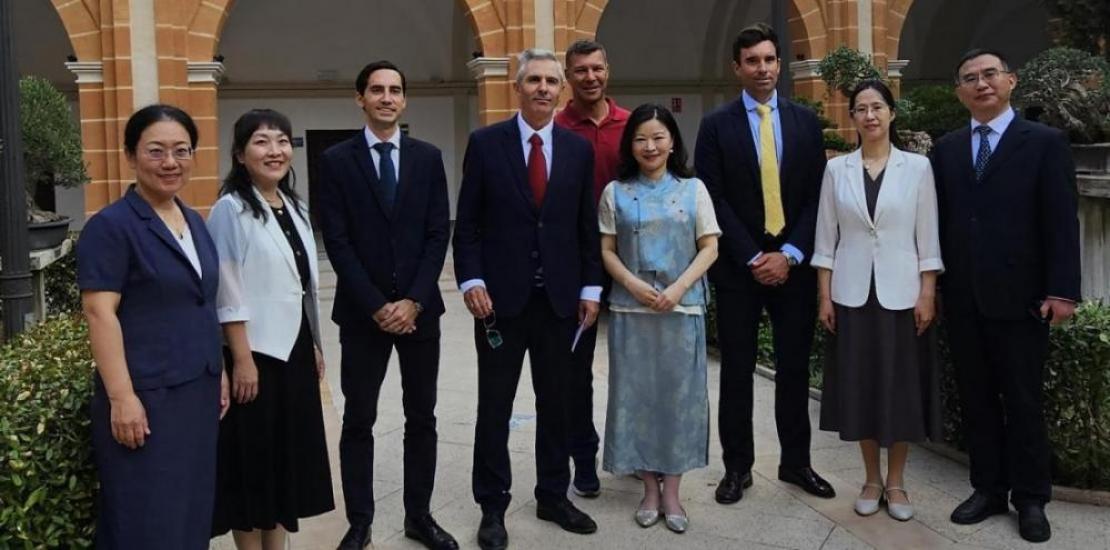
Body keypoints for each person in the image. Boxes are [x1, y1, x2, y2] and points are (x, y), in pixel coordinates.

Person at [453, 48, 603, 550]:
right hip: (500, 302)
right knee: (494, 406)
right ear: (517, 87)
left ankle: (552, 494)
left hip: (561, 303)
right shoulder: (486, 143)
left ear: (562, 90)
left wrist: (590, 288)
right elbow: (467, 224)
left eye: (551, 81)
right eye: (533, 79)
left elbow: (586, 226)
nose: (543, 87)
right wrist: (471, 281)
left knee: (557, 403)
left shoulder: (577, 150)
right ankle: (492, 505)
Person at [931, 48, 1080, 543]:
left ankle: (1031, 498)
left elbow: (1061, 222)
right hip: (964, 298)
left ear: (1011, 81)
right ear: (960, 92)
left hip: (1022, 299)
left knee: (1023, 401)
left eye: (990, 75)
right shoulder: (948, 149)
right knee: (976, 400)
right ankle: (988, 489)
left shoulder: (1044, 143)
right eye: (969, 78)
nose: (981, 84)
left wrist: (1062, 291)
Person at [317, 60, 457, 550]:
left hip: (421, 314)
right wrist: (378, 305)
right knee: (359, 420)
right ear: (360, 98)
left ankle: (419, 516)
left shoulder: (427, 157)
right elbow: (336, 239)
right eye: (376, 90)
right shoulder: (336, 161)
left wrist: (415, 300)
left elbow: (439, 232)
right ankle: (360, 522)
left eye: (395, 89)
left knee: (423, 417)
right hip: (362, 316)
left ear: (404, 99)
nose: (386, 97)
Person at [77, 104, 228, 548]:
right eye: (156, 151)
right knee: (146, 517)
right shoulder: (112, 227)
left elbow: (201, 303)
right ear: (130, 155)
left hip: (196, 394)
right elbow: (99, 313)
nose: (170, 162)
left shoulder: (194, 221)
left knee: (190, 509)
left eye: (182, 151)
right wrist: (122, 398)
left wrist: (215, 368)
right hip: (148, 398)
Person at [694, 23, 833, 503]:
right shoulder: (715, 126)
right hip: (738, 270)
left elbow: (819, 195)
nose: (763, 69)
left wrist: (790, 253)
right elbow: (711, 195)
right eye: (752, 61)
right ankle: (737, 469)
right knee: (735, 372)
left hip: (793, 269)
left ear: (779, 63)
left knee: (793, 370)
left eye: (770, 60)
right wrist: (753, 255)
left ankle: (797, 464)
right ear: (737, 67)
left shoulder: (804, 122)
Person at [812, 80, 944, 522]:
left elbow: (928, 237)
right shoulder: (837, 171)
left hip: (902, 294)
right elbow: (825, 239)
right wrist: (824, 295)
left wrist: (927, 291)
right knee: (862, 386)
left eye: (877, 107)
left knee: (901, 386)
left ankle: (897, 482)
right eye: (861, 109)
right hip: (851, 295)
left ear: (891, 113)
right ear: (851, 117)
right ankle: (871, 478)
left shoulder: (918, 168)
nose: (870, 116)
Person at [206, 109, 335, 548]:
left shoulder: (293, 205)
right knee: (253, 461)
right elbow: (227, 290)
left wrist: (314, 343)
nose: (274, 150)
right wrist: (240, 360)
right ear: (240, 154)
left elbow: (301, 284)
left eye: (282, 141)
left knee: (286, 460)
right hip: (253, 354)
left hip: (292, 349)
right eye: (261, 141)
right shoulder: (230, 210)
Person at [599, 104, 719, 533]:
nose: (650, 146)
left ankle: (673, 489)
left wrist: (677, 289)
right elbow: (607, 250)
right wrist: (632, 285)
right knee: (637, 399)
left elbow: (709, 247)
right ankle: (648, 485)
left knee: (679, 400)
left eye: (658, 137)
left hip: (680, 309)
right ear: (630, 145)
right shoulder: (616, 192)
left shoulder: (693, 189)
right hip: (632, 311)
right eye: (640, 139)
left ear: (672, 143)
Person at [554, 38, 630, 497]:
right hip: (578, 264)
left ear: (608, 70)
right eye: (580, 70)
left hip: (631, 264)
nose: (590, 77)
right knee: (573, 373)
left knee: (637, 364)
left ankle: (640, 453)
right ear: (569, 75)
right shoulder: (558, 128)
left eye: (596, 68)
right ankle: (583, 459)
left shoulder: (632, 125)